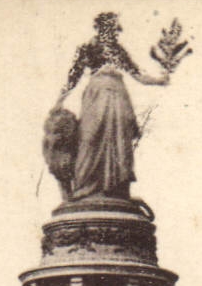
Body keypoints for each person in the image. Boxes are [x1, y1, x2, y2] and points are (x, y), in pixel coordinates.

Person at [55, 12, 174, 201]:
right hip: (96, 94)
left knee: (119, 138)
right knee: (90, 137)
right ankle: (87, 186)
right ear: (101, 28)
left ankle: (116, 187)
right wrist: (60, 100)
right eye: (110, 27)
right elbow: (73, 77)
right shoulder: (87, 48)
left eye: (114, 28)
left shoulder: (118, 50)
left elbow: (138, 74)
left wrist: (160, 80)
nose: (114, 32)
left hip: (118, 96)